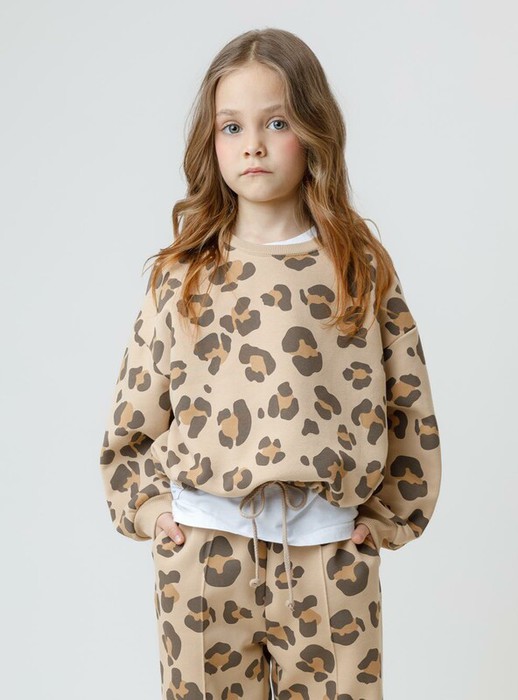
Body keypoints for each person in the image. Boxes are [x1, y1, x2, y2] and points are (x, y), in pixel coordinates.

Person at [99, 27, 442, 700]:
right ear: (211, 142)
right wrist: (150, 510)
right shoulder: (181, 275)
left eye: (276, 122)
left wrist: (387, 519)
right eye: (232, 127)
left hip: (327, 557)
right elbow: (133, 417)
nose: (252, 144)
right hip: (203, 558)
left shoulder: (358, 268)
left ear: (313, 131)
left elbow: (409, 404)